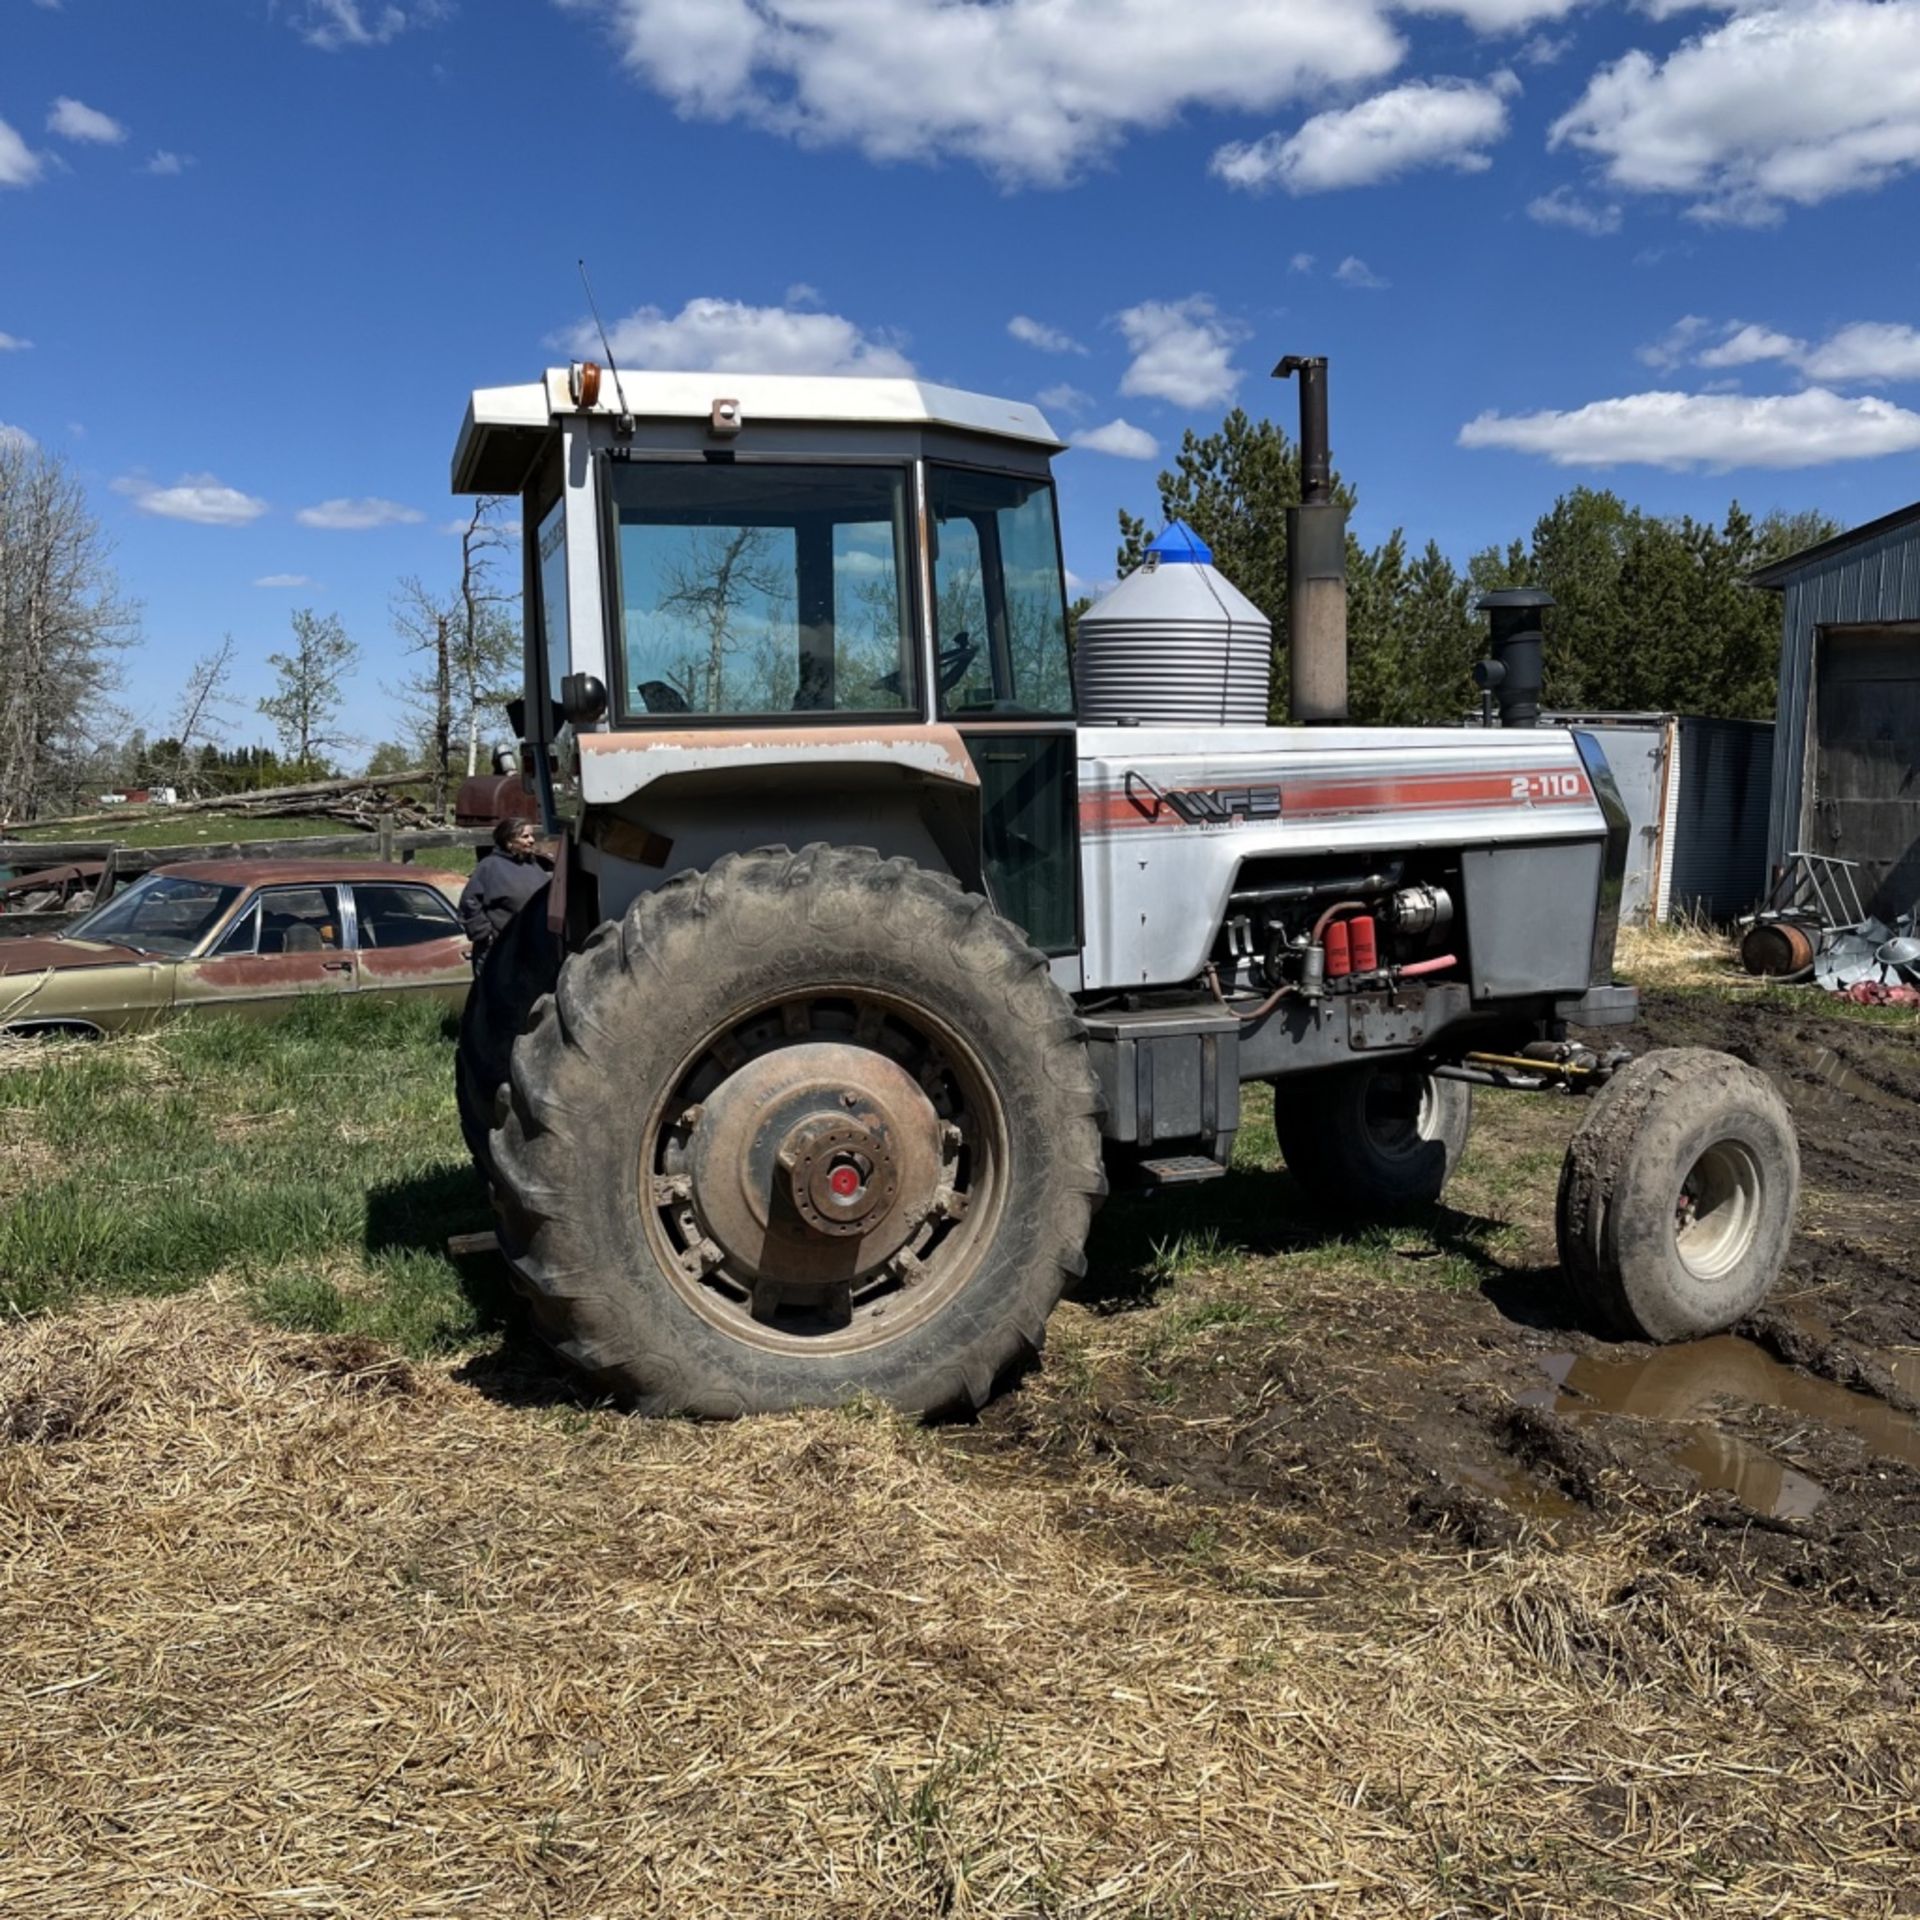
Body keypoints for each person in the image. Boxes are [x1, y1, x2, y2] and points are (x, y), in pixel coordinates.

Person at [459, 818, 550, 969]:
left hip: (529, 946)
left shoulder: (533, 865)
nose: (532, 840)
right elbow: (469, 902)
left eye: (532, 835)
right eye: (525, 837)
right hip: (498, 950)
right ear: (509, 841)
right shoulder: (489, 867)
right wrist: (484, 934)